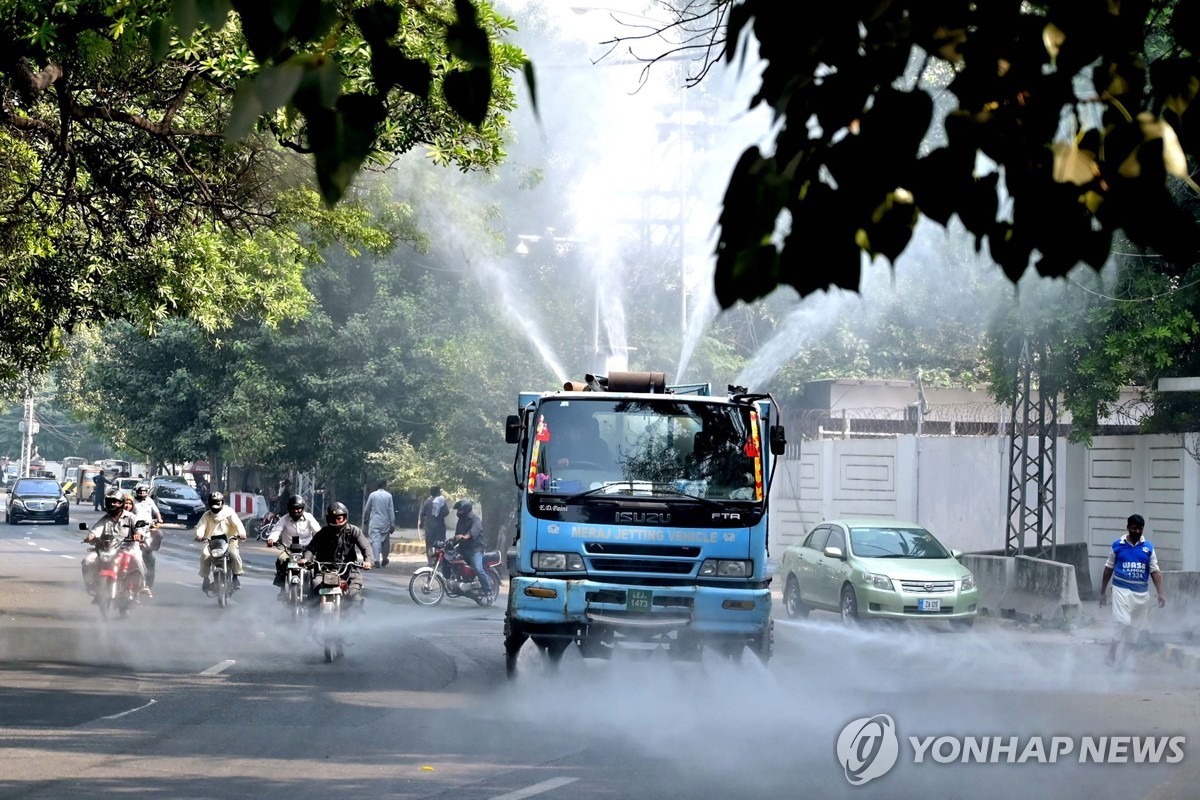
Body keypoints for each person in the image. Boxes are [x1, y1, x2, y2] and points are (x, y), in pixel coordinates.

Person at [1099, 513, 1166, 668]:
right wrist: (1102, 592)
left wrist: (1161, 593)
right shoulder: (1117, 545)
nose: (1137, 532)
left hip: (1141, 594)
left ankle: (1122, 662)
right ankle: (1112, 652)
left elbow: (1155, 571)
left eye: (1140, 529)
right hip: (1121, 590)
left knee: (1134, 631)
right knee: (1123, 622)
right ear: (1128, 527)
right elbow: (1108, 568)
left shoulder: (1148, 548)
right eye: (1134, 528)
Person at [300, 502, 372, 605]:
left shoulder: (353, 531)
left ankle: (357, 619)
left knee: (354, 596)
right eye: (333, 518)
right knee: (315, 588)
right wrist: (305, 559)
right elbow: (311, 548)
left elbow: (366, 548)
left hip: (349, 571)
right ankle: (311, 618)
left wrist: (367, 561)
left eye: (339, 518)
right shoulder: (322, 533)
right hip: (325, 571)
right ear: (328, 519)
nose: (337, 521)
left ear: (345, 517)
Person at [81, 490, 148, 598]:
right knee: (87, 561)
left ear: (121, 503)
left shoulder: (131, 517)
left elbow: (139, 528)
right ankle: (91, 584)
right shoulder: (105, 519)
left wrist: (138, 534)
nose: (113, 504)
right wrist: (91, 536)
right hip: (108, 550)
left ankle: (143, 585)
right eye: (110, 501)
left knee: (138, 560)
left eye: (116, 502)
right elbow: (96, 530)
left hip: (129, 548)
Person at [265, 494, 322, 595]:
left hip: (307, 550)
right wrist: (271, 539)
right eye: (293, 509)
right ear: (289, 509)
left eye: (299, 509)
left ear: (303, 509)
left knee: (317, 563)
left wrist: (322, 540)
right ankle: (282, 588)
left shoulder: (309, 518)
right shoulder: (284, 519)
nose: (296, 511)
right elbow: (276, 530)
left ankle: (316, 588)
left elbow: (318, 531)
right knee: (281, 559)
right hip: (289, 550)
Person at [193, 491, 248, 594]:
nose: (216, 507)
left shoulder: (229, 513)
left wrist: (241, 533)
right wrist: (199, 535)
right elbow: (201, 526)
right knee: (205, 555)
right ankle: (205, 579)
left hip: (229, 542)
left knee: (234, 555)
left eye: (217, 503)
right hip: (212, 543)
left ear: (222, 502)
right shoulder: (207, 515)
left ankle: (235, 577)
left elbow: (238, 524)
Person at [451, 498, 492, 602]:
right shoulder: (461, 521)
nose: (458, 512)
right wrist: (451, 542)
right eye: (458, 511)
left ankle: (489, 593)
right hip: (463, 548)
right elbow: (457, 536)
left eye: (460, 510)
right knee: (450, 559)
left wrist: (465, 536)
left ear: (465, 510)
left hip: (475, 549)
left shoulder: (475, 519)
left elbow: (473, 532)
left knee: (478, 569)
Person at [131, 483, 164, 592]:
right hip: (132, 531)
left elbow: (157, 512)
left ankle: (148, 586)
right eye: (140, 492)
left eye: (144, 492)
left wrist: (159, 519)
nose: (142, 494)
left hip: (146, 531)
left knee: (149, 559)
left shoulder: (150, 501)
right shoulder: (132, 502)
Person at [363, 479, 396, 568]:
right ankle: (385, 558)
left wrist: (365, 518)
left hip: (375, 521)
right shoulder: (388, 496)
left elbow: (367, 509)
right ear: (385, 485)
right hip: (385, 522)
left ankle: (376, 560)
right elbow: (391, 510)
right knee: (386, 541)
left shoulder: (373, 495)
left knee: (375, 541)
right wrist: (392, 523)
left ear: (377, 486)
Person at [418, 486, 449, 566]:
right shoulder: (442, 501)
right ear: (438, 493)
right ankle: (439, 561)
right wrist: (440, 514)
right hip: (440, 527)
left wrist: (422, 523)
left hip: (430, 527)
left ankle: (430, 561)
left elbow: (422, 513)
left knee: (429, 544)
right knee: (441, 544)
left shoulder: (427, 502)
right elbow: (447, 512)